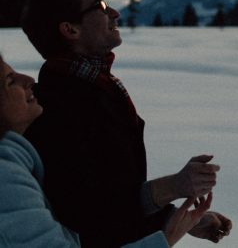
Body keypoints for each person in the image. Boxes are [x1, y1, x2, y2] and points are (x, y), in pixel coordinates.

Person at [19, 0, 233, 247]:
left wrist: (177, 219)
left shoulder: (96, 88)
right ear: (70, 29)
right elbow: (84, 213)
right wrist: (173, 187)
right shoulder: (54, 107)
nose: (114, 13)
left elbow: (114, 195)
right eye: (100, 6)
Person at [1, 53, 213, 246]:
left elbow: (89, 209)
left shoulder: (21, 156)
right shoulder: (7, 174)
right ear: (70, 30)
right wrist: (165, 237)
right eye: (10, 81)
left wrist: (167, 217)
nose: (28, 80)